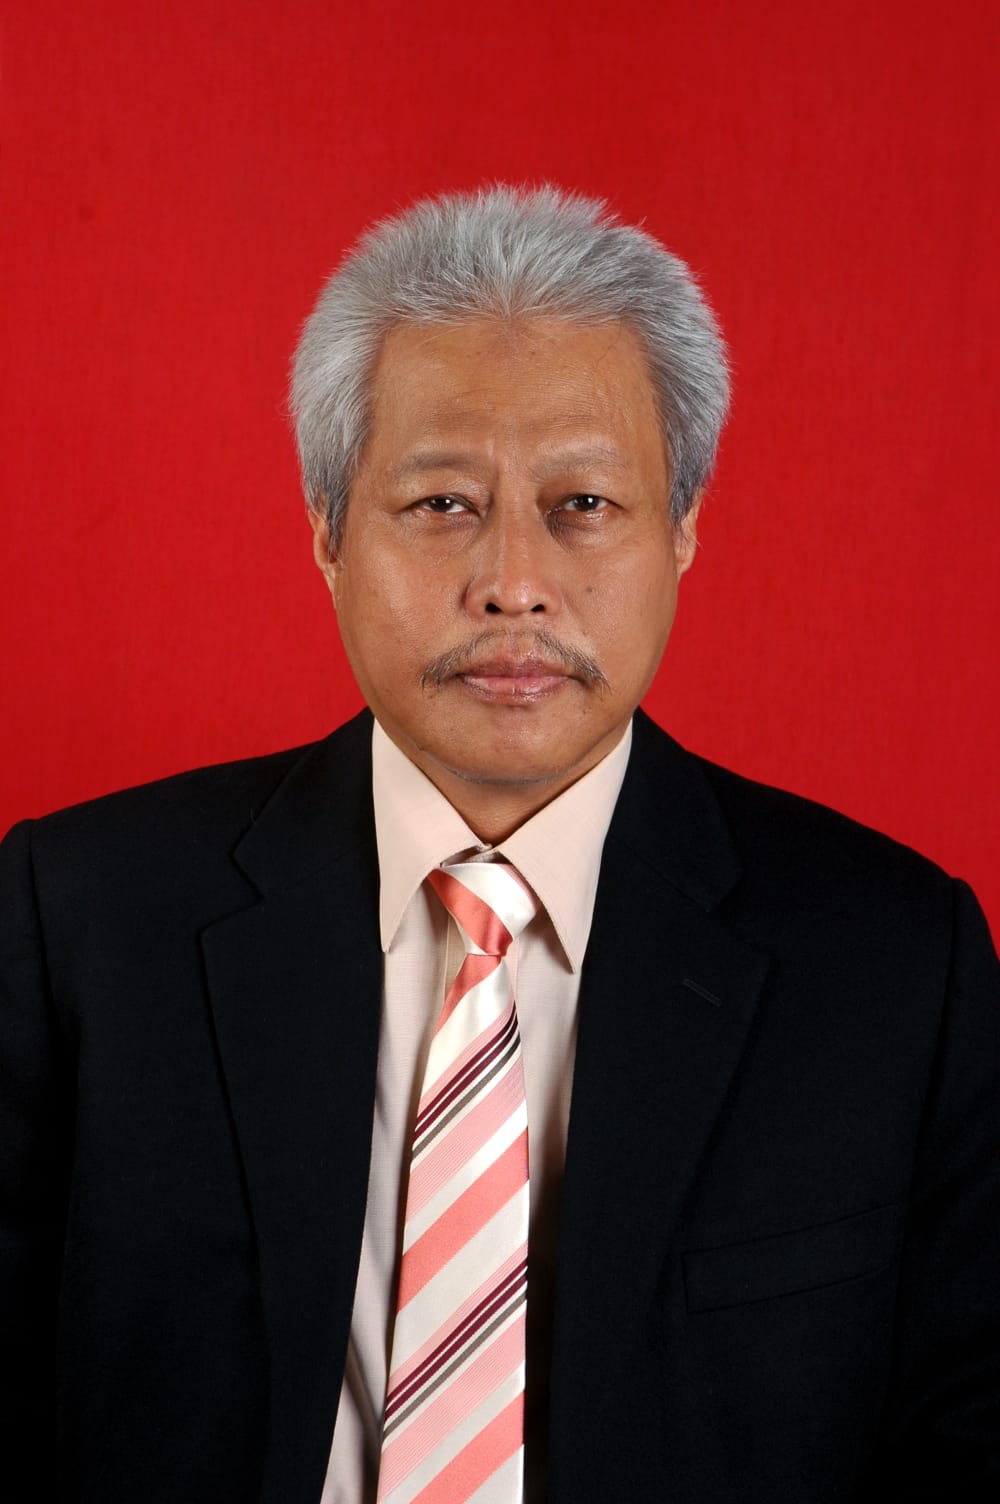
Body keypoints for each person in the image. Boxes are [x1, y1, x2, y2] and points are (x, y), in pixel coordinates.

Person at [1, 185, 997, 1504]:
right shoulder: (76, 924)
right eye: (441, 503)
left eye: (583, 501)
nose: (515, 584)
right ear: (326, 530)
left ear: (684, 526)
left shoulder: (896, 967)